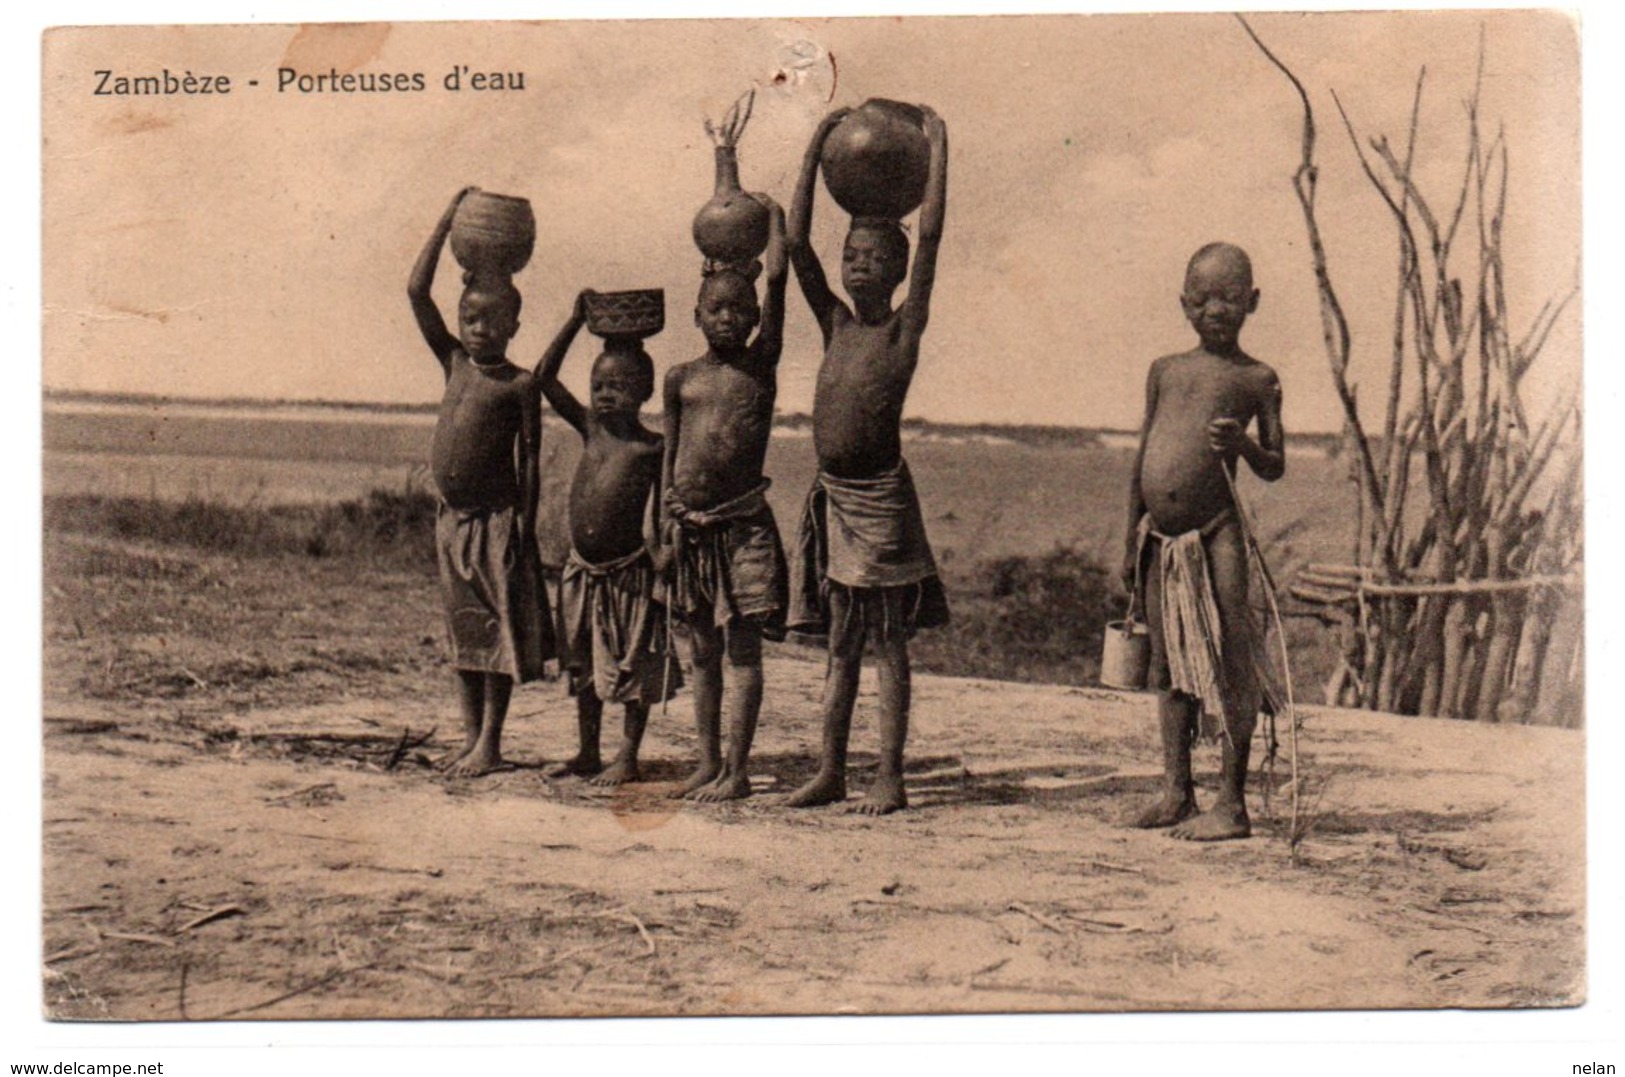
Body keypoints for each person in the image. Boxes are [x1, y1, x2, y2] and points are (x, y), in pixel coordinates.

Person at [783, 105, 950, 816]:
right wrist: (814, 147)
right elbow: (795, 242)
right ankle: (829, 769)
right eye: (851, 256)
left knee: (887, 642)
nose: (857, 266)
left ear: (898, 269)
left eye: (874, 258)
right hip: (834, 500)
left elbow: (934, 235)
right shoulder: (835, 323)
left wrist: (940, 150)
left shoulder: (900, 330)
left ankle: (888, 774)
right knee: (840, 646)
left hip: (879, 502)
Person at [1122, 241, 1285, 841]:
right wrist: (1126, 539)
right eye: (1204, 298)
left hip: (1218, 531)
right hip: (1161, 541)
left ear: (1253, 303)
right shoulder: (1165, 371)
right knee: (1168, 663)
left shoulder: (1257, 379)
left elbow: (1274, 465)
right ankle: (1176, 790)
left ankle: (1233, 803)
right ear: (1184, 303)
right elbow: (1142, 453)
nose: (1216, 309)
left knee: (1231, 653)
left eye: (1230, 298)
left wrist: (1240, 444)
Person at [407, 187, 553, 778]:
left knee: (498, 635)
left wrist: (525, 521)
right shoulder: (455, 364)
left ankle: (491, 742)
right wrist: (447, 216)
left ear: (515, 322)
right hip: (454, 522)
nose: (478, 329)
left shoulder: (518, 385)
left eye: (493, 320)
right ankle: (471, 740)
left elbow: (532, 461)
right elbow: (417, 291)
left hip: (497, 523)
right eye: (469, 317)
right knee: (465, 631)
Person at [660, 195, 789, 803]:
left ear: (757, 318)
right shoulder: (680, 378)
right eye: (717, 308)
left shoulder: (761, 368)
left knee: (742, 651)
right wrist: (661, 526)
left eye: (742, 309)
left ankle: (737, 769)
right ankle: (707, 762)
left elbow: (782, 283)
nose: (729, 318)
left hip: (744, 530)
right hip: (688, 531)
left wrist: (778, 222)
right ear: (697, 313)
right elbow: (669, 456)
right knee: (701, 653)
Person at [534, 290, 675, 786]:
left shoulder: (652, 447)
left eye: (619, 385)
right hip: (582, 571)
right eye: (598, 384)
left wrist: (661, 554)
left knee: (631, 665)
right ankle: (588, 751)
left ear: (644, 392)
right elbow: (544, 379)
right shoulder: (590, 428)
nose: (605, 393)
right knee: (585, 666)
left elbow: (661, 507)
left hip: (629, 571)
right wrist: (574, 321)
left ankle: (628, 755)